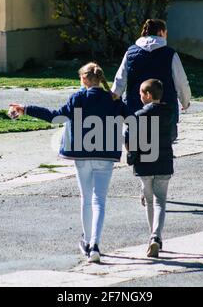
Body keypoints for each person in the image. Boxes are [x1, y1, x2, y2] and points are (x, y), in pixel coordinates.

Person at [8, 62, 125, 264]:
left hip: (82, 155)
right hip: (106, 156)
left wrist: (26, 109)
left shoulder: (78, 98)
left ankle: (87, 242)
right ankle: (95, 244)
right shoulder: (112, 98)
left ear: (85, 79)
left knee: (86, 199)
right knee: (100, 201)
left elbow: (55, 117)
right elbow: (133, 117)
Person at [112, 18, 192, 141]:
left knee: (137, 146)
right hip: (165, 109)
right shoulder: (170, 54)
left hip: (135, 108)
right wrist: (185, 102)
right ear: (161, 32)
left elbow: (120, 80)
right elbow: (181, 83)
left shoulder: (130, 52)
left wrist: (113, 100)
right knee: (163, 146)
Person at [125, 79, 175, 258]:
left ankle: (151, 236)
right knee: (161, 200)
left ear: (147, 95)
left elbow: (128, 136)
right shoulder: (169, 113)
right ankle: (156, 236)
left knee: (149, 199)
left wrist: (130, 152)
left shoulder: (138, 116)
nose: (139, 96)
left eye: (140, 93)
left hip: (144, 163)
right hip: (164, 161)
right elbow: (172, 135)